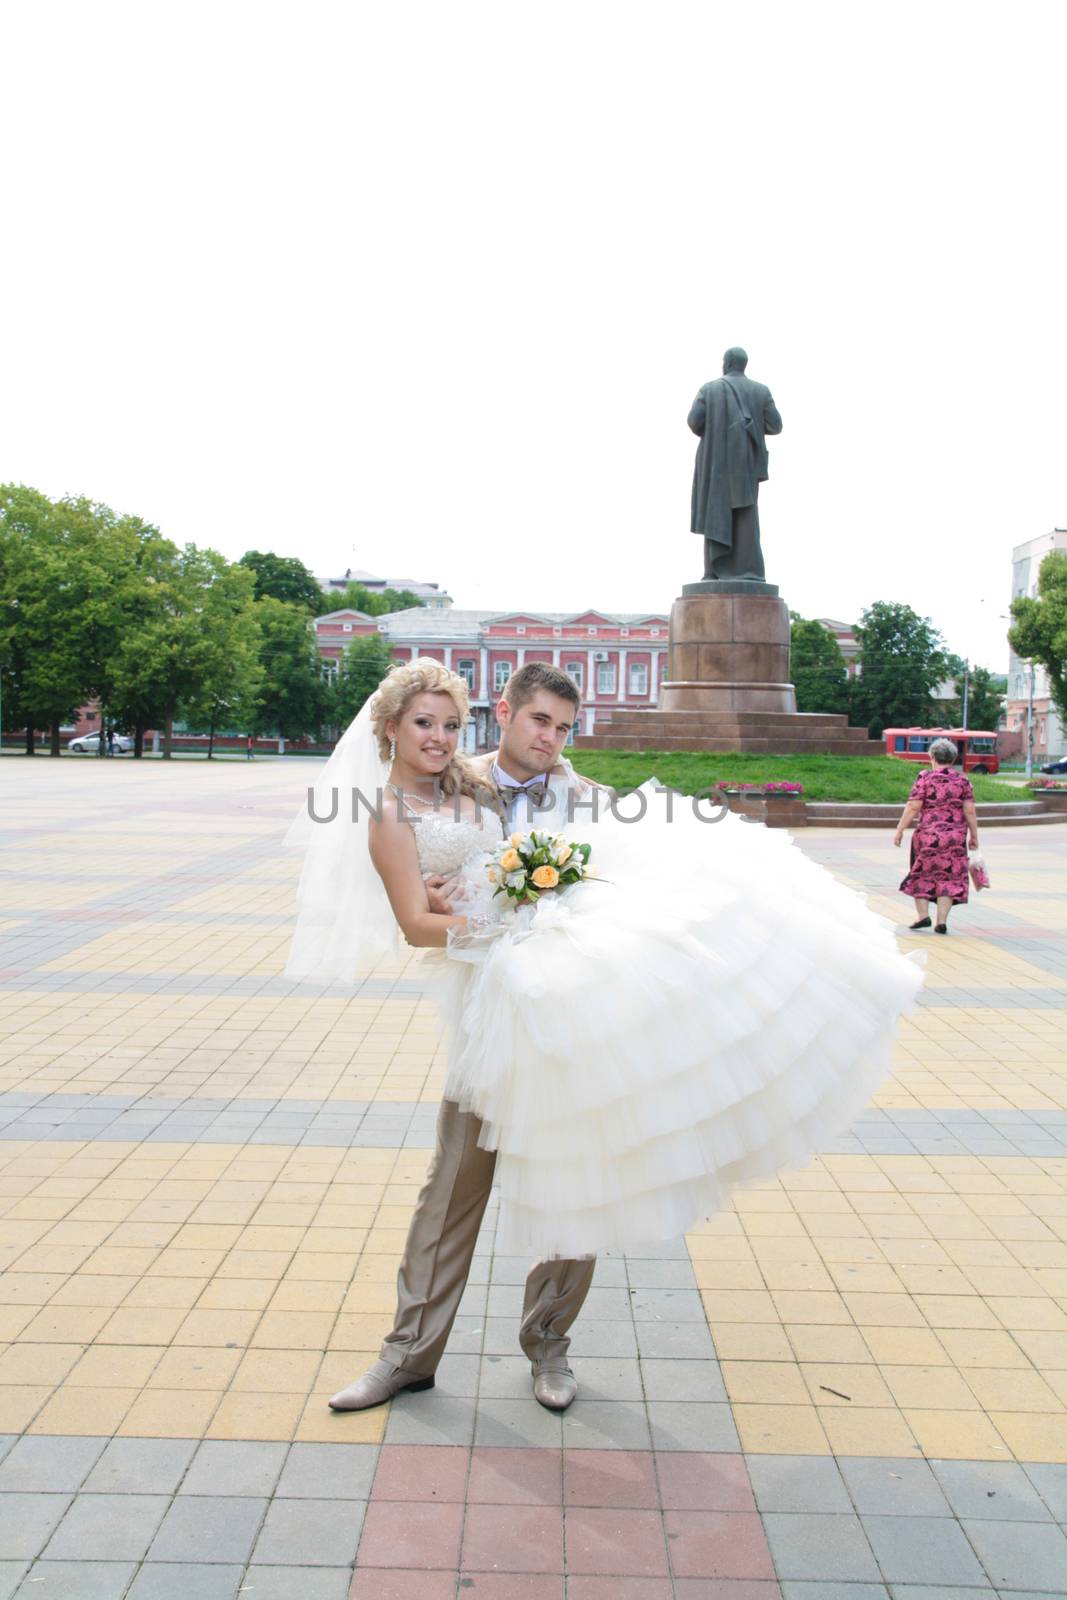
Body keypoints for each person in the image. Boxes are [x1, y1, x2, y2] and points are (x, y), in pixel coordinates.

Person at [286, 658, 922, 1417]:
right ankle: (406, 1356)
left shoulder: (593, 803)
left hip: (578, 1022)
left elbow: (631, 891)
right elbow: (409, 880)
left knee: (577, 1180)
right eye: (537, 722)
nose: (549, 739)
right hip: (488, 1015)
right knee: (451, 1187)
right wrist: (456, 904)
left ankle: (548, 1348)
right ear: (506, 712)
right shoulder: (453, 782)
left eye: (561, 727)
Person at [688, 346, 783, 581]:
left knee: (715, 513)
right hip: (746, 465)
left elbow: (694, 422)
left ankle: (712, 573)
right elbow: (775, 425)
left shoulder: (709, 390)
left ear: (727, 363)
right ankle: (748, 572)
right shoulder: (761, 391)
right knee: (746, 516)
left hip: (715, 465)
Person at [894, 737, 979, 934]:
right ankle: (941, 921)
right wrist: (974, 836)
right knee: (948, 877)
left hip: (928, 837)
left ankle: (923, 916)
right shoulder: (963, 780)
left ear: (932, 756)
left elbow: (914, 806)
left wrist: (900, 830)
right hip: (955, 838)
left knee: (922, 873)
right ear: (953, 758)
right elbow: (969, 811)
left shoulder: (925, 778)